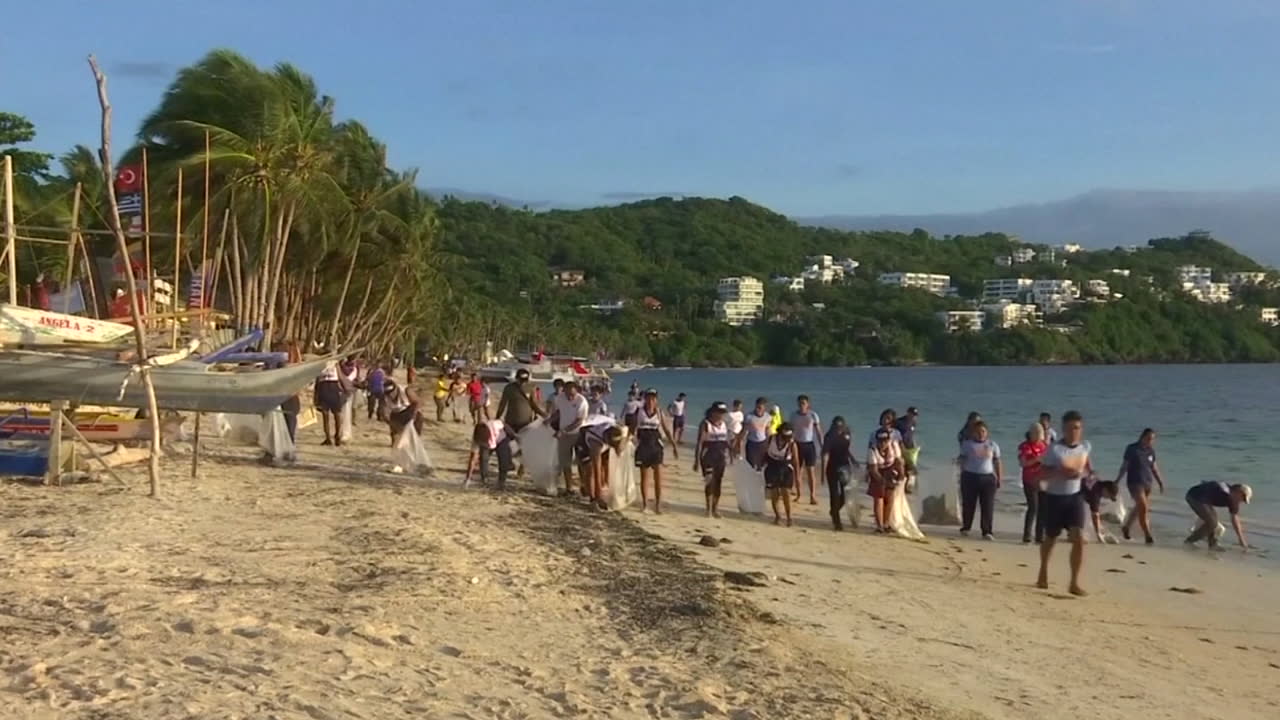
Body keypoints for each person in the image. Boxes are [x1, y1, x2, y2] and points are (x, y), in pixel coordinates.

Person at [1036, 410, 1092, 597]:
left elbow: (1087, 470)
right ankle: (1043, 571)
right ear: (1063, 429)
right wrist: (1061, 473)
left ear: (1081, 429)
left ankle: (1074, 582)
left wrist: (1084, 475)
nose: (1073, 432)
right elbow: (1041, 474)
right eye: (1069, 428)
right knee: (1050, 538)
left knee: (1079, 539)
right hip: (1054, 497)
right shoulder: (1054, 450)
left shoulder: (1085, 447)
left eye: (1077, 428)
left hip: (1075, 498)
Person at [1116, 428, 1164, 545]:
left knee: (1139, 508)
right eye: (1148, 438)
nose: (1150, 441)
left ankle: (1126, 527)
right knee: (1143, 507)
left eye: (1152, 439)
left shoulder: (1151, 451)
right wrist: (1117, 480)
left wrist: (1160, 482)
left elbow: (1154, 468)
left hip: (1147, 482)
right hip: (1134, 482)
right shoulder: (1132, 449)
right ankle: (1148, 535)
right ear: (1142, 436)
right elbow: (1125, 466)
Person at [634, 389, 678, 513]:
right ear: (645, 399)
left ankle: (658, 505)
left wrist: (674, 445)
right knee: (644, 477)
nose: (650, 401)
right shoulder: (639, 411)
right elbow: (632, 429)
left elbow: (666, 429)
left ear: (656, 400)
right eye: (648, 398)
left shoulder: (659, 412)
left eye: (653, 398)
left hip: (656, 447)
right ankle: (645, 504)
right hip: (643, 446)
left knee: (658, 477)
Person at [957, 420, 1002, 540]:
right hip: (970, 476)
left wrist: (999, 477)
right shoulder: (967, 444)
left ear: (987, 433)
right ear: (973, 433)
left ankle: (987, 531)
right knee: (968, 504)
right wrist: (961, 472)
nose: (981, 434)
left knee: (987, 505)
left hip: (988, 478)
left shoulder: (993, 445)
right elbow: (962, 459)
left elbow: (997, 462)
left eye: (983, 431)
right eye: (978, 432)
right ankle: (966, 527)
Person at [1184, 481, 1253, 551]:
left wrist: (1241, 539)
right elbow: (1207, 485)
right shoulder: (1223, 491)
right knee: (1212, 522)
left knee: (1213, 521)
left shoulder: (1234, 500)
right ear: (1238, 491)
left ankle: (1212, 544)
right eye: (1243, 498)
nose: (1241, 501)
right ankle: (1190, 541)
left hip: (1205, 501)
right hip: (1194, 496)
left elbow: (1234, 518)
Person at [548, 381, 589, 496]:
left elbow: (579, 420)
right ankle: (569, 487)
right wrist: (550, 420)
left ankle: (584, 486)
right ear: (564, 391)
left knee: (581, 462)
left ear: (577, 391)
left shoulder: (582, 401)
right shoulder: (560, 398)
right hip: (564, 435)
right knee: (565, 462)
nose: (570, 397)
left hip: (579, 433)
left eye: (573, 394)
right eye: (568, 394)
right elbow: (558, 412)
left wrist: (564, 430)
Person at [693, 402, 732, 518]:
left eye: (723, 413)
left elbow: (727, 441)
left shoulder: (724, 424)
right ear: (713, 412)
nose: (721, 415)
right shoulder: (705, 424)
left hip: (720, 457)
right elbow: (699, 443)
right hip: (708, 456)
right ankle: (708, 509)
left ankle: (715, 508)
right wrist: (696, 460)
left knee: (718, 482)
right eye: (719, 413)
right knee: (710, 481)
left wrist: (731, 453)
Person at [866, 428, 906, 533]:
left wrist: (901, 475)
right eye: (880, 441)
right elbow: (873, 470)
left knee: (890, 498)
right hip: (877, 472)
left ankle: (886, 523)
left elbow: (899, 461)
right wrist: (882, 481)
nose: (882, 443)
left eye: (885, 441)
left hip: (890, 470)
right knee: (879, 498)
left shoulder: (894, 446)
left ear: (889, 440)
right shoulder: (872, 451)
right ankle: (879, 526)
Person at [577, 419, 624, 507]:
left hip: (599, 429)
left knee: (605, 466)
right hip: (585, 440)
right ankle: (593, 498)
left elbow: (622, 441)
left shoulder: (618, 431)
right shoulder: (595, 444)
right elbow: (596, 471)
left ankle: (595, 491)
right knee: (590, 470)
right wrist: (599, 497)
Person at [823, 417, 858, 531]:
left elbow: (846, 449)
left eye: (840, 427)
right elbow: (825, 455)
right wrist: (822, 472)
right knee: (834, 494)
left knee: (845, 493)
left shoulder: (847, 433)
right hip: (832, 468)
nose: (838, 429)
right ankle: (837, 521)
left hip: (845, 466)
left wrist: (853, 460)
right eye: (836, 427)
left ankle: (834, 511)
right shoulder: (829, 436)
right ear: (833, 426)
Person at [1018, 423, 1049, 544]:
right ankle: (1027, 535)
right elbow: (1023, 463)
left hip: (1043, 480)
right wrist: (1037, 459)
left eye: (1039, 434)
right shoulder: (1025, 446)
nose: (1037, 436)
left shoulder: (1045, 445)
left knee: (1043, 508)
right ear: (1030, 434)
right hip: (1029, 480)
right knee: (1033, 507)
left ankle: (1040, 536)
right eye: (1035, 433)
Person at [790, 395, 824, 504]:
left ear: (808, 404)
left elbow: (818, 431)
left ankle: (812, 496)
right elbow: (790, 431)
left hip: (809, 445)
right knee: (797, 471)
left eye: (803, 403)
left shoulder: (813, 415)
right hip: (797, 445)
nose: (801, 405)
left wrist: (822, 445)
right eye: (800, 403)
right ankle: (799, 495)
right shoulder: (794, 415)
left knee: (811, 472)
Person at [764, 423, 800, 526]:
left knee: (786, 494)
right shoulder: (771, 439)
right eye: (784, 437)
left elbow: (796, 461)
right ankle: (778, 517)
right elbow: (764, 452)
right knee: (774, 494)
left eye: (788, 437)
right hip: (772, 466)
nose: (786, 439)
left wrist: (797, 477)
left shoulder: (792, 444)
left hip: (786, 468)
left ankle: (789, 518)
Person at [465, 419, 515, 490]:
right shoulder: (476, 438)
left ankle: (501, 482)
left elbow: (505, 425)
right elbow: (473, 459)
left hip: (501, 440)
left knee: (504, 459)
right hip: (490, 441)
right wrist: (468, 479)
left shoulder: (495, 425)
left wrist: (514, 436)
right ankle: (484, 480)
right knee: (483, 458)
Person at [495, 368, 544, 435]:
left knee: (524, 443)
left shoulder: (531, 387)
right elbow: (502, 404)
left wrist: (541, 414)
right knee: (511, 442)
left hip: (526, 422)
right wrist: (497, 417)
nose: (523, 382)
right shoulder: (509, 388)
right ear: (516, 378)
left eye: (525, 380)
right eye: (521, 380)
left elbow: (534, 404)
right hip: (511, 422)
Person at [383, 375, 423, 446]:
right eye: (388, 393)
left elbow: (417, 402)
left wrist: (413, 416)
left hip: (409, 410)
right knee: (396, 439)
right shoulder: (385, 396)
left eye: (392, 392)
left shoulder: (405, 390)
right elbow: (384, 412)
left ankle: (414, 443)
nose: (391, 395)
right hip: (396, 413)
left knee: (415, 429)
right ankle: (395, 444)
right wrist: (390, 422)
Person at [314, 361, 346, 446]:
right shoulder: (334, 363)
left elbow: (317, 380)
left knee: (327, 416)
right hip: (331, 388)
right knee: (336, 415)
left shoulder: (322, 363)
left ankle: (330, 438)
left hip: (325, 387)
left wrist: (316, 397)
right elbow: (340, 377)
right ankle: (335, 437)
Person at [1083, 477, 1122, 543]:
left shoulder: (1096, 482)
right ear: (1106, 489)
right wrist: (1098, 534)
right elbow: (1095, 515)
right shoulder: (1095, 494)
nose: (1107, 498)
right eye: (1109, 496)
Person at [740, 397, 772, 470]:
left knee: (761, 464)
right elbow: (744, 430)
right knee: (750, 464)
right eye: (758, 407)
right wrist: (740, 442)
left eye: (761, 407)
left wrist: (770, 443)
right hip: (751, 443)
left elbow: (768, 430)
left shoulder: (768, 417)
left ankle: (759, 478)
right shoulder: (749, 416)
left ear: (764, 407)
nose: (759, 409)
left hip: (762, 443)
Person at [895, 407, 920, 488]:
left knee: (910, 467)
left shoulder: (913, 422)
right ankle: (899, 485)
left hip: (910, 447)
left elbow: (912, 435)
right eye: (912, 414)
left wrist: (915, 446)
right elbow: (896, 435)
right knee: (901, 466)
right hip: (900, 447)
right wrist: (900, 447)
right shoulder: (900, 422)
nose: (913, 416)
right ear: (908, 413)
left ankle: (906, 486)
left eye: (915, 415)